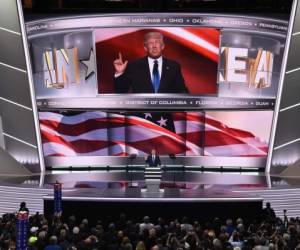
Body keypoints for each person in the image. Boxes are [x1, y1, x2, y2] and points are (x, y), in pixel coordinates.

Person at [113, 31, 188, 93]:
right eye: (150, 43)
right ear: (145, 48)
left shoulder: (174, 66)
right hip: (142, 110)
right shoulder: (134, 66)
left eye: (157, 42)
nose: (154, 46)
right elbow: (120, 91)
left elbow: (183, 92)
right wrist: (119, 73)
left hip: (166, 110)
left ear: (163, 46)